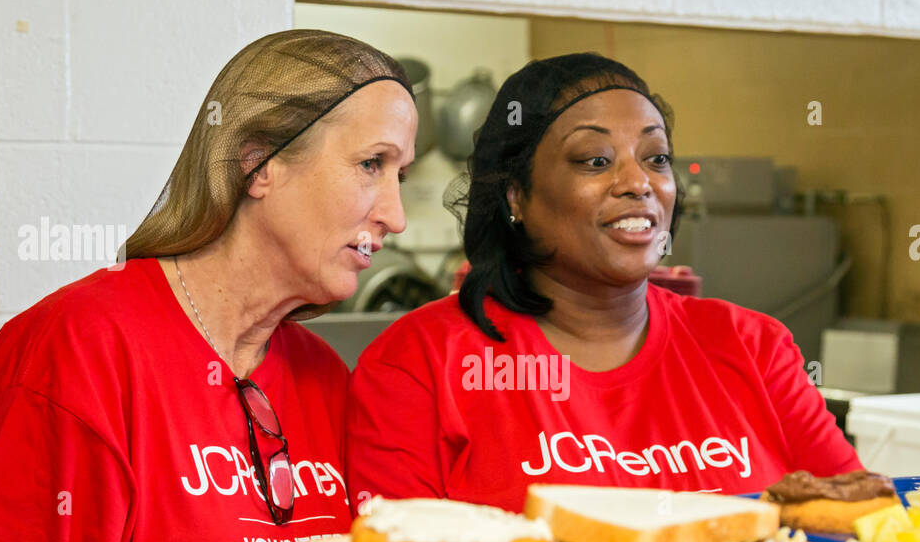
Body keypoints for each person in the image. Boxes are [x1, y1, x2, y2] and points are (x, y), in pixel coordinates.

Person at [0, 30, 417, 542]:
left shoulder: (323, 377)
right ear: (259, 164)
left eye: (402, 173)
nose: (396, 217)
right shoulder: (74, 352)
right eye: (372, 163)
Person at [346, 53, 860, 513]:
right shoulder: (419, 365)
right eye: (595, 161)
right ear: (514, 196)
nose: (639, 183)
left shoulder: (754, 346)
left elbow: (857, 519)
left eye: (656, 158)